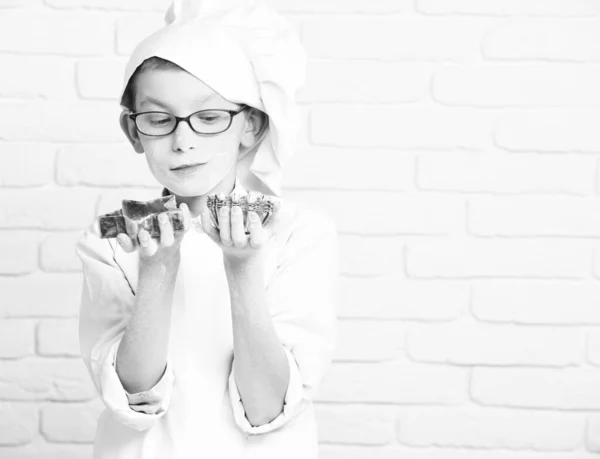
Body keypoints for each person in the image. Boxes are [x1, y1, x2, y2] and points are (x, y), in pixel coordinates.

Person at [75, 0, 339, 458]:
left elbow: (266, 409)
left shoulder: (299, 233)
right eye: (159, 119)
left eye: (210, 117)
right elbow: (134, 398)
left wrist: (242, 269)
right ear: (134, 131)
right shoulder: (112, 240)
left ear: (251, 126)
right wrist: (157, 267)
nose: (183, 140)